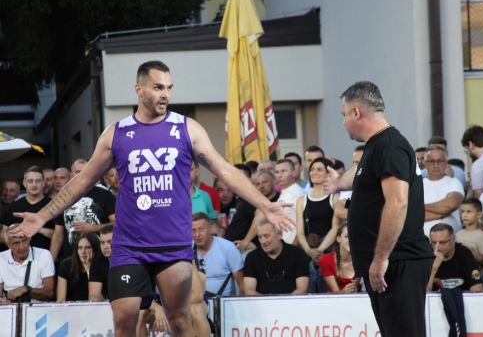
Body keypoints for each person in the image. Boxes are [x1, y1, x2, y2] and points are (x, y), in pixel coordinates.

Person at [10, 60, 293, 337]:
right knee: (124, 320)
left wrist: (265, 204)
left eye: (169, 87)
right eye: (158, 87)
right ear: (139, 89)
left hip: (173, 244)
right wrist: (43, 215)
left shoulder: (187, 128)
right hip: (129, 244)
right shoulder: (116, 133)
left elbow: (224, 169)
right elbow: (83, 181)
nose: (166, 94)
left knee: (181, 321)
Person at [324, 81, 433, 337]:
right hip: (389, 263)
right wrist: (338, 183)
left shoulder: (389, 146)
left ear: (356, 112)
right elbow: (362, 172)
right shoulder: (378, 146)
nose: (342, 123)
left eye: (343, 115)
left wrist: (381, 258)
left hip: (397, 262)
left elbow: (397, 202)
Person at [50, 159, 116, 261]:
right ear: (72, 175)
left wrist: (93, 228)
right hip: (71, 260)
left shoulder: (105, 195)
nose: (82, 175)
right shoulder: (63, 197)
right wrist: (51, 263)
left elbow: (117, 223)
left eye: (85, 171)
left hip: (99, 258)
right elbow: (58, 235)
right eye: (78, 172)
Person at [243, 219, 309, 295]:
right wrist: (266, 304)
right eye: (260, 237)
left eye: (266, 236)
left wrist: (283, 303)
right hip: (261, 305)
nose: (263, 241)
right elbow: (249, 289)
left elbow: (302, 288)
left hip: (292, 304)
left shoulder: (298, 254)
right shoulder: (252, 257)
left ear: (279, 235)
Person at [1, 166, 54, 251]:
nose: (34, 185)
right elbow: (3, 234)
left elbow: (59, 235)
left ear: (43, 183)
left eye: (38, 181)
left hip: (43, 257)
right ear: (24, 183)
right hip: (17, 260)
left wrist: (38, 229)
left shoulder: (53, 205)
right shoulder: (13, 207)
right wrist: (15, 250)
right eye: (30, 181)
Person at [0, 224, 55, 304]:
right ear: (8, 245)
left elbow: (50, 292)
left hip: (37, 309)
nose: (22, 247)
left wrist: (26, 289)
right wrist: (5, 302)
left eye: (24, 240)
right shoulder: (1, 258)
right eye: (16, 243)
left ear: (30, 238)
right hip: (10, 308)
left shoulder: (44, 255)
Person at [192, 213, 244, 296]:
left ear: (210, 229)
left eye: (201, 229)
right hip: (196, 304)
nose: (197, 235)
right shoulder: (187, 251)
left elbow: (242, 284)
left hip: (224, 304)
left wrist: (241, 307)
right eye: (193, 230)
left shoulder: (228, 248)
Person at [296, 157, 336, 262]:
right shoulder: (301, 200)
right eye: (312, 169)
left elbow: (335, 227)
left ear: (328, 173)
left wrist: (319, 251)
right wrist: (309, 250)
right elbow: (300, 231)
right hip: (309, 249)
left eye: (319, 170)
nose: (314, 173)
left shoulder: (334, 197)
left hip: (330, 250)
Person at [230, 170, 280, 253]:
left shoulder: (279, 199)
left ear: (274, 182)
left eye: (265, 182)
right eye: (257, 184)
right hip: (237, 247)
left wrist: (247, 240)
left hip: (259, 249)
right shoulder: (252, 200)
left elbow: (261, 214)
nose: (261, 186)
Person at [427, 223, 483, 291]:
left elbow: (477, 289)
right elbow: (423, 294)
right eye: (434, 243)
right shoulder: (427, 255)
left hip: (461, 298)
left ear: (453, 239)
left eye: (443, 242)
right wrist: (434, 268)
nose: (438, 247)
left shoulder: (464, 253)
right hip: (435, 300)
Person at [422, 145, 464, 237]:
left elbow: (451, 204)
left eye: (440, 161)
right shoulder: (418, 185)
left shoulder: (454, 183)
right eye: (432, 161)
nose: (436, 165)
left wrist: (420, 207)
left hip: (450, 241)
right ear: (425, 163)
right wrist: (442, 214)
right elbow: (411, 214)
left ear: (445, 163)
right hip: (422, 241)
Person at [57, 232, 100, 301]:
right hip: (70, 308)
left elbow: (99, 298)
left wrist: (89, 269)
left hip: (93, 308)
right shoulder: (66, 265)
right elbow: (61, 299)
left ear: (95, 250)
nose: (83, 252)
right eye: (80, 248)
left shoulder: (101, 267)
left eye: (87, 247)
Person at [319, 222, 359, 293]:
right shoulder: (325, 260)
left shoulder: (361, 260)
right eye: (346, 237)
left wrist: (357, 284)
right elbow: (335, 293)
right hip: (334, 302)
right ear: (338, 239)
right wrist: (344, 291)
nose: (351, 240)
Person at [455, 198, 483, 276]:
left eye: (469, 212)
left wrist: (470, 252)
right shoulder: (458, 234)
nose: (465, 215)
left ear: (479, 215)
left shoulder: (482, 236)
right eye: (463, 212)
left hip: (474, 276)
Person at [275, 159, 305, 244]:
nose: (279, 175)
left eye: (283, 171)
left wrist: (293, 248)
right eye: (277, 172)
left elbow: (303, 226)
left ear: (294, 173)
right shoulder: (284, 192)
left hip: (292, 247)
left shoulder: (298, 194)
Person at [89, 224, 114, 301]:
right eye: (102, 243)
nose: (105, 247)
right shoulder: (97, 263)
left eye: (109, 242)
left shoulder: (131, 261)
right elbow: (94, 295)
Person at [0, 178, 20, 252]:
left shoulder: (20, 213)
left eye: (12, 190)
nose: (7, 193)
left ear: (18, 194)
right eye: (4, 189)